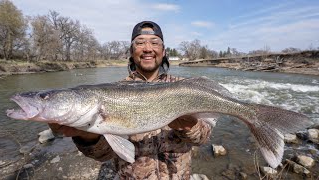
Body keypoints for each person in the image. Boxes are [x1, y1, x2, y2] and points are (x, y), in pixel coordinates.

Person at [49, 21, 212, 180]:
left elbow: (203, 138)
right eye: (140, 43)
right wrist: (88, 137)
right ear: (131, 51)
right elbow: (104, 155)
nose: (148, 49)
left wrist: (189, 127)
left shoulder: (187, 88)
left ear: (163, 51)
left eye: (154, 43)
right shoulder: (111, 93)